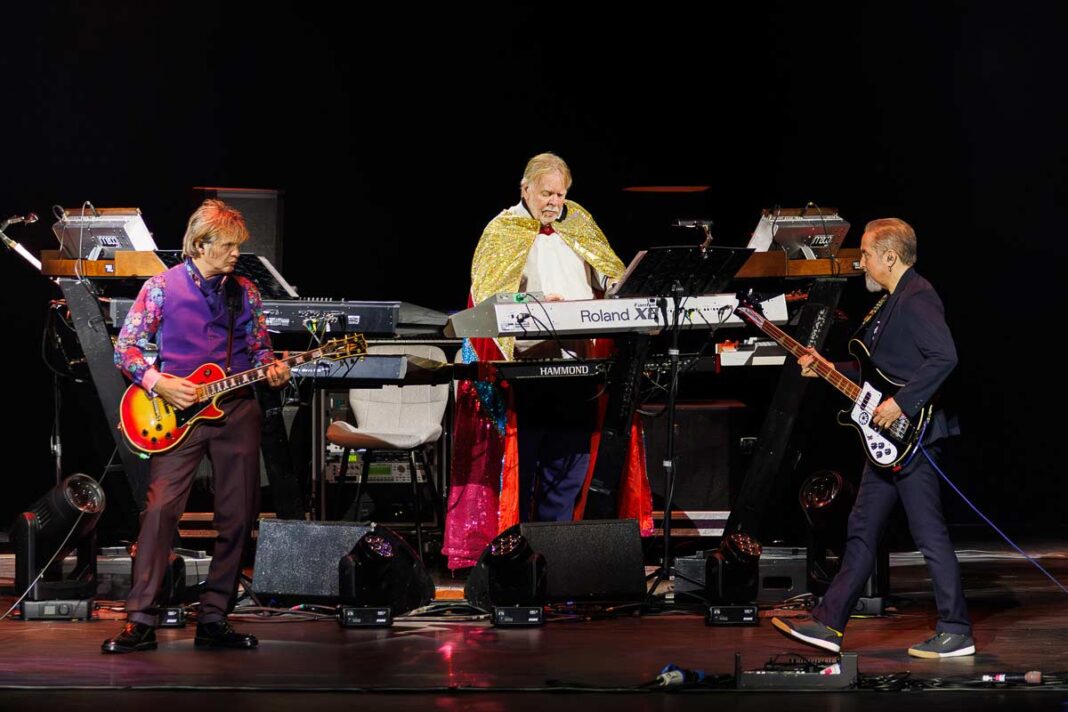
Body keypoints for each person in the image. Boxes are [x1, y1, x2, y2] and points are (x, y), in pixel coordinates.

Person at [772, 218, 973, 659]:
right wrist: (827, 368)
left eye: (864, 253)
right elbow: (872, 380)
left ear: (889, 256)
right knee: (861, 530)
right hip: (883, 440)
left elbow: (945, 357)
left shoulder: (919, 297)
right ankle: (828, 623)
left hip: (912, 437)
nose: (859, 261)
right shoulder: (887, 303)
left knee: (929, 533)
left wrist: (902, 405)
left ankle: (956, 629)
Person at [443, 153, 651, 568]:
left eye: (561, 193)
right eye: (547, 193)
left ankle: (556, 561)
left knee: (570, 465)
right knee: (525, 466)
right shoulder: (502, 230)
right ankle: (513, 561)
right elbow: (488, 297)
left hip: (579, 366)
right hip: (524, 369)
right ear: (525, 189)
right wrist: (534, 301)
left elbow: (608, 276)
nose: (555, 202)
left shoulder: (578, 222)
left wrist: (619, 282)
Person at [102, 199, 291, 653]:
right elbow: (125, 349)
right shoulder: (161, 288)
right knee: (161, 510)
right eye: (227, 246)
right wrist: (158, 382)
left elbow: (261, 349)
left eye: (237, 247)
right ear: (200, 244)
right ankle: (141, 618)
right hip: (176, 412)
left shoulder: (244, 290)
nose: (235, 255)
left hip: (236, 408)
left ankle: (213, 618)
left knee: (239, 514)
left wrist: (274, 370)